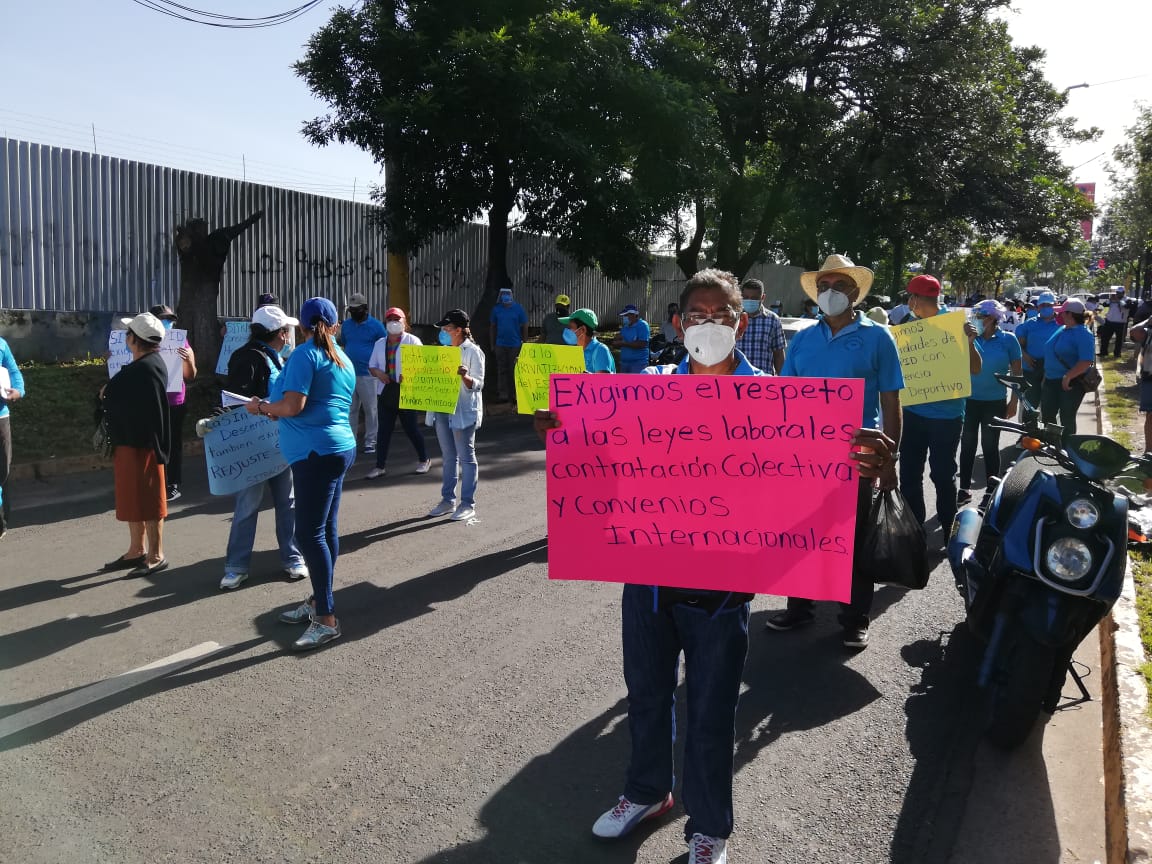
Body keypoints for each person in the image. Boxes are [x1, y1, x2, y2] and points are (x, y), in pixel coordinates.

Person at [534, 268, 898, 864]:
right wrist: (558, 427)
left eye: (721, 316)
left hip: (725, 590)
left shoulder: (786, 404)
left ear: (742, 323)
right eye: (696, 315)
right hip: (649, 582)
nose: (708, 326)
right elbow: (594, 448)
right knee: (647, 695)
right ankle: (647, 792)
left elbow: (820, 480)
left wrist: (873, 461)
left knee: (710, 711)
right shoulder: (642, 389)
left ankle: (709, 826)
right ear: (678, 323)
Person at [765, 254, 903, 649]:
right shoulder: (804, 339)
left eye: (838, 286)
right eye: (823, 286)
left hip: (858, 455)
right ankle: (799, 607)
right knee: (802, 535)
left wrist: (890, 458)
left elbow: (892, 403)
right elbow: (785, 398)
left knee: (856, 538)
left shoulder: (879, 337)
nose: (829, 293)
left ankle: (855, 616)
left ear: (855, 293)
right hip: (806, 458)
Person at [248, 297, 356, 651]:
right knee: (325, 530)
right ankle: (318, 601)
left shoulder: (304, 355)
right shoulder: (342, 359)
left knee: (309, 535)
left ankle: (326, 618)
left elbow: (293, 406)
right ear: (335, 326)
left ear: (303, 327)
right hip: (337, 449)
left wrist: (262, 407)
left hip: (315, 453)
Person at [220, 305, 308, 591]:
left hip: (279, 442)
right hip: (254, 447)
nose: (289, 336)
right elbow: (234, 403)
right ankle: (236, 566)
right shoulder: (247, 358)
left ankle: (293, 558)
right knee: (248, 505)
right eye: (287, 331)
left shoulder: (277, 358)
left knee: (288, 503)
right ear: (280, 334)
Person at [895, 275, 980, 539]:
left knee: (943, 476)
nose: (909, 302)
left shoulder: (956, 326)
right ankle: (914, 530)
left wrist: (970, 342)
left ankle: (948, 530)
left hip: (947, 417)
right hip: (911, 413)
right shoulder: (907, 325)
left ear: (917, 299)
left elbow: (975, 368)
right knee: (909, 475)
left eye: (910, 297)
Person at [101, 312, 172, 576]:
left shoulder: (147, 367)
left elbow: (148, 409)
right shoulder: (146, 365)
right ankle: (136, 550)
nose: (126, 337)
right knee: (132, 498)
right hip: (131, 442)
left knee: (151, 501)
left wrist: (107, 392)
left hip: (144, 445)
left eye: (128, 333)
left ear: (134, 340)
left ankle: (155, 554)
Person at [958, 300, 1022, 504]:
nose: (978, 320)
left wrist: (1014, 402)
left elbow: (1017, 374)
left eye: (982, 316)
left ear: (994, 318)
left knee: (990, 445)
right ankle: (964, 488)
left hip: (994, 401)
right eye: (975, 315)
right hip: (968, 401)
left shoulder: (1009, 340)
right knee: (967, 445)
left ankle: (991, 490)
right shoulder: (968, 337)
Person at [428, 309, 485, 523]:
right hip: (442, 408)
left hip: (462, 410)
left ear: (459, 330)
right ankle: (447, 499)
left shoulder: (474, 351)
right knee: (448, 456)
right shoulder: (442, 352)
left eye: (447, 328)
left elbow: (478, 384)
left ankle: (467, 503)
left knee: (466, 457)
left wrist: (465, 376)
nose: (443, 331)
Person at [365, 307, 431, 479]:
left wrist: (410, 375)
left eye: (397, 319)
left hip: (406, 391)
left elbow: (424, 367)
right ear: (385, 322)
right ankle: (380, 466)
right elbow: (372, 366)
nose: (394, 322)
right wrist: (380, 374)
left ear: (404, 322)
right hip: (386, 391)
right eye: (390, 319)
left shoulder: (413, 341)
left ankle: (424, 459)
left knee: (411, 428)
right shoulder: (380, 343)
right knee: (384, 430)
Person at [149, 305, 196, 502]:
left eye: (169, 319)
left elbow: (191, 375)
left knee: (172, 443)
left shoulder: (179, 341)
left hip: (175, 401)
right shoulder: (143, 342)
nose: (167, 323)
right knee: (152, 441)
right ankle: (152, 479)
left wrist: (187, 360)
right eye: (163, 319)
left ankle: (172, 483)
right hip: (150, 400)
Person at [1041, 298, 1096, 440]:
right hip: (1051, 380)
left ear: (1070, 314)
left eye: (1062, 312)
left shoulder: (1083, 334)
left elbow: (1086, 360)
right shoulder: (1063, 328)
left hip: (1071, 384)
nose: (1059, 315)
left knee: (1066, 417)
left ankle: (1067, 450)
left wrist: (1068, 376)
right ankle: (1052, 444)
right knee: (1047, 414)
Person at [340, 292, 387, 454]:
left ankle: (370, 441)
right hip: (349, 375)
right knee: (351, 410)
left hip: (369, 375)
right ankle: (351, 441)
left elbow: (384, 346)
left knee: (371, 410)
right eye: (351, 310)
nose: (353, 313)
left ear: (365, 308)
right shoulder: (346, 325)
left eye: (356, 309)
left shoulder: (376, 326)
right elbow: (344, 344)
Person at [1014, 291, 1062, 414]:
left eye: (1049, 305)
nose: (1046, 308)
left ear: (1055, 305)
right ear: (1038, 307)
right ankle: (1027, 432)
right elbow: (1019, 344)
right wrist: (1026, 356)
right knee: (1030, 405)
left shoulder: (1061, 324)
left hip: (1052, 371)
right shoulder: (1029, 324)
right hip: (1031, 369)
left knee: (1049, 407)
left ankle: (1048, 432)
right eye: (1043, 305)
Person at [0, 332, 26, 539]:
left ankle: (1, 520)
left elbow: (14, 372)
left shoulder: (1, 345)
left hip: (1, 419)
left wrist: (17, 390)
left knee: (2, 471)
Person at [736, 278, 786, 374]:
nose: (749, 300)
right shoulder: (734, 319)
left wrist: (783, 381)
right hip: (736, 381)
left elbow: (779, 355)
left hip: (764, 383)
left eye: (754, 298)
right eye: (746, 297)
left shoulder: (773, 320)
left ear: (762, 298)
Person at [489, 286, 527, 405]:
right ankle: (503, 394)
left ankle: (515, 394)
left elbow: (524, 325)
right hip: (500, 344)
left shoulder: (518, 309)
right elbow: (492, 327)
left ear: (511, 295)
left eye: (508, 294)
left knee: (514, 370)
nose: (506, 296)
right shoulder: (496, 309)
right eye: (503, 294)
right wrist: (492, 344)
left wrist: (524, 343)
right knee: (502, 370)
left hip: (515, 344)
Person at [560, 308, 615, 373]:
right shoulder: (577, 351)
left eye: (570, 327)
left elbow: (604, 381)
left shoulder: (601, 350)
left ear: (583, 329)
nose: (567, 330)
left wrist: (587, 378)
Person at [612, 304, 652, 374]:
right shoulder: (625, 327)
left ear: (633, 315)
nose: (624, 318)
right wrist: (616, 342)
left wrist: (623, 343)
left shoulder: (642, 325)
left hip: (638, 364)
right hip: (624, 363)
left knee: (636, 384)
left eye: (626, 315)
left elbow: (642, 344)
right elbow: (617, 342)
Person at [1099, 288, 1130, 358]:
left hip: (1120, 323)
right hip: (1109, 321)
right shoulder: (1112, 299)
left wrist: (1119, 301)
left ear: (1123, 293)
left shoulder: (1127, 299)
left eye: (1119, 293)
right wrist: (1110, 300)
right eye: (1117, 292)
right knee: (1104, 337)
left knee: (1119, 340)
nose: (1118, 294)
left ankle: (1117, 354)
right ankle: (1103, 353)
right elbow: (1104, 304)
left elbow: (1127, 306)